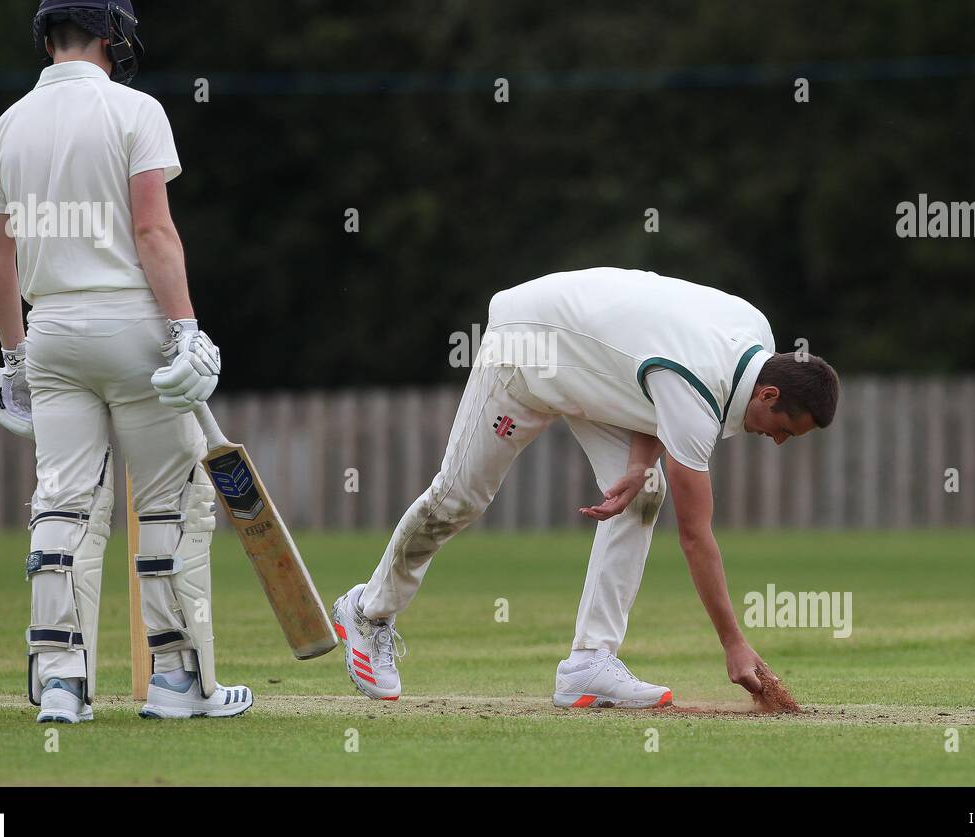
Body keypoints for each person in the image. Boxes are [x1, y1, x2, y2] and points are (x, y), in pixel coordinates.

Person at [332, 267, 839, 708]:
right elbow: (695, 537)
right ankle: (367, 609)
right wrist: (733, 643)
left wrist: (639, 466)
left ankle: (588, 665)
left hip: (592, 366)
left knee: (643, 494)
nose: (776, 442)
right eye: (784, 430)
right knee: (459, 498)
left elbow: (652, 382)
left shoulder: (753, 333)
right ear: (769, 393)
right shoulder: (699, 393)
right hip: (527, 347)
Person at [0, 0, 251, 722]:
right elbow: (154, 231)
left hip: (52, 331)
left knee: (62, 503)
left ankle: (60, 684)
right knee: (171, 502)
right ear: (114, 37)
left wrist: (16, 357)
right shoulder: (137, 110)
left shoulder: (7, 126)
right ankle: (176, 682)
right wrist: (185, 326)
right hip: (133, 328)